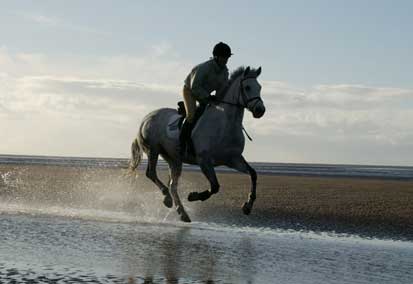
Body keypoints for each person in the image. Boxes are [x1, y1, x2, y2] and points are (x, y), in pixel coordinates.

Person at [179, 42, 232, 156]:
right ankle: (182, 144)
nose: (226, 60)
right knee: (191, 116)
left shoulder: (224, 72)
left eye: (227, 57)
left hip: (204, 95)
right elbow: (195, 87)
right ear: (216, 57)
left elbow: (221, 90)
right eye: (224, 57)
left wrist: (221, 102)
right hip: (190, 91)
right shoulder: (205, 68)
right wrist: (208, 98)